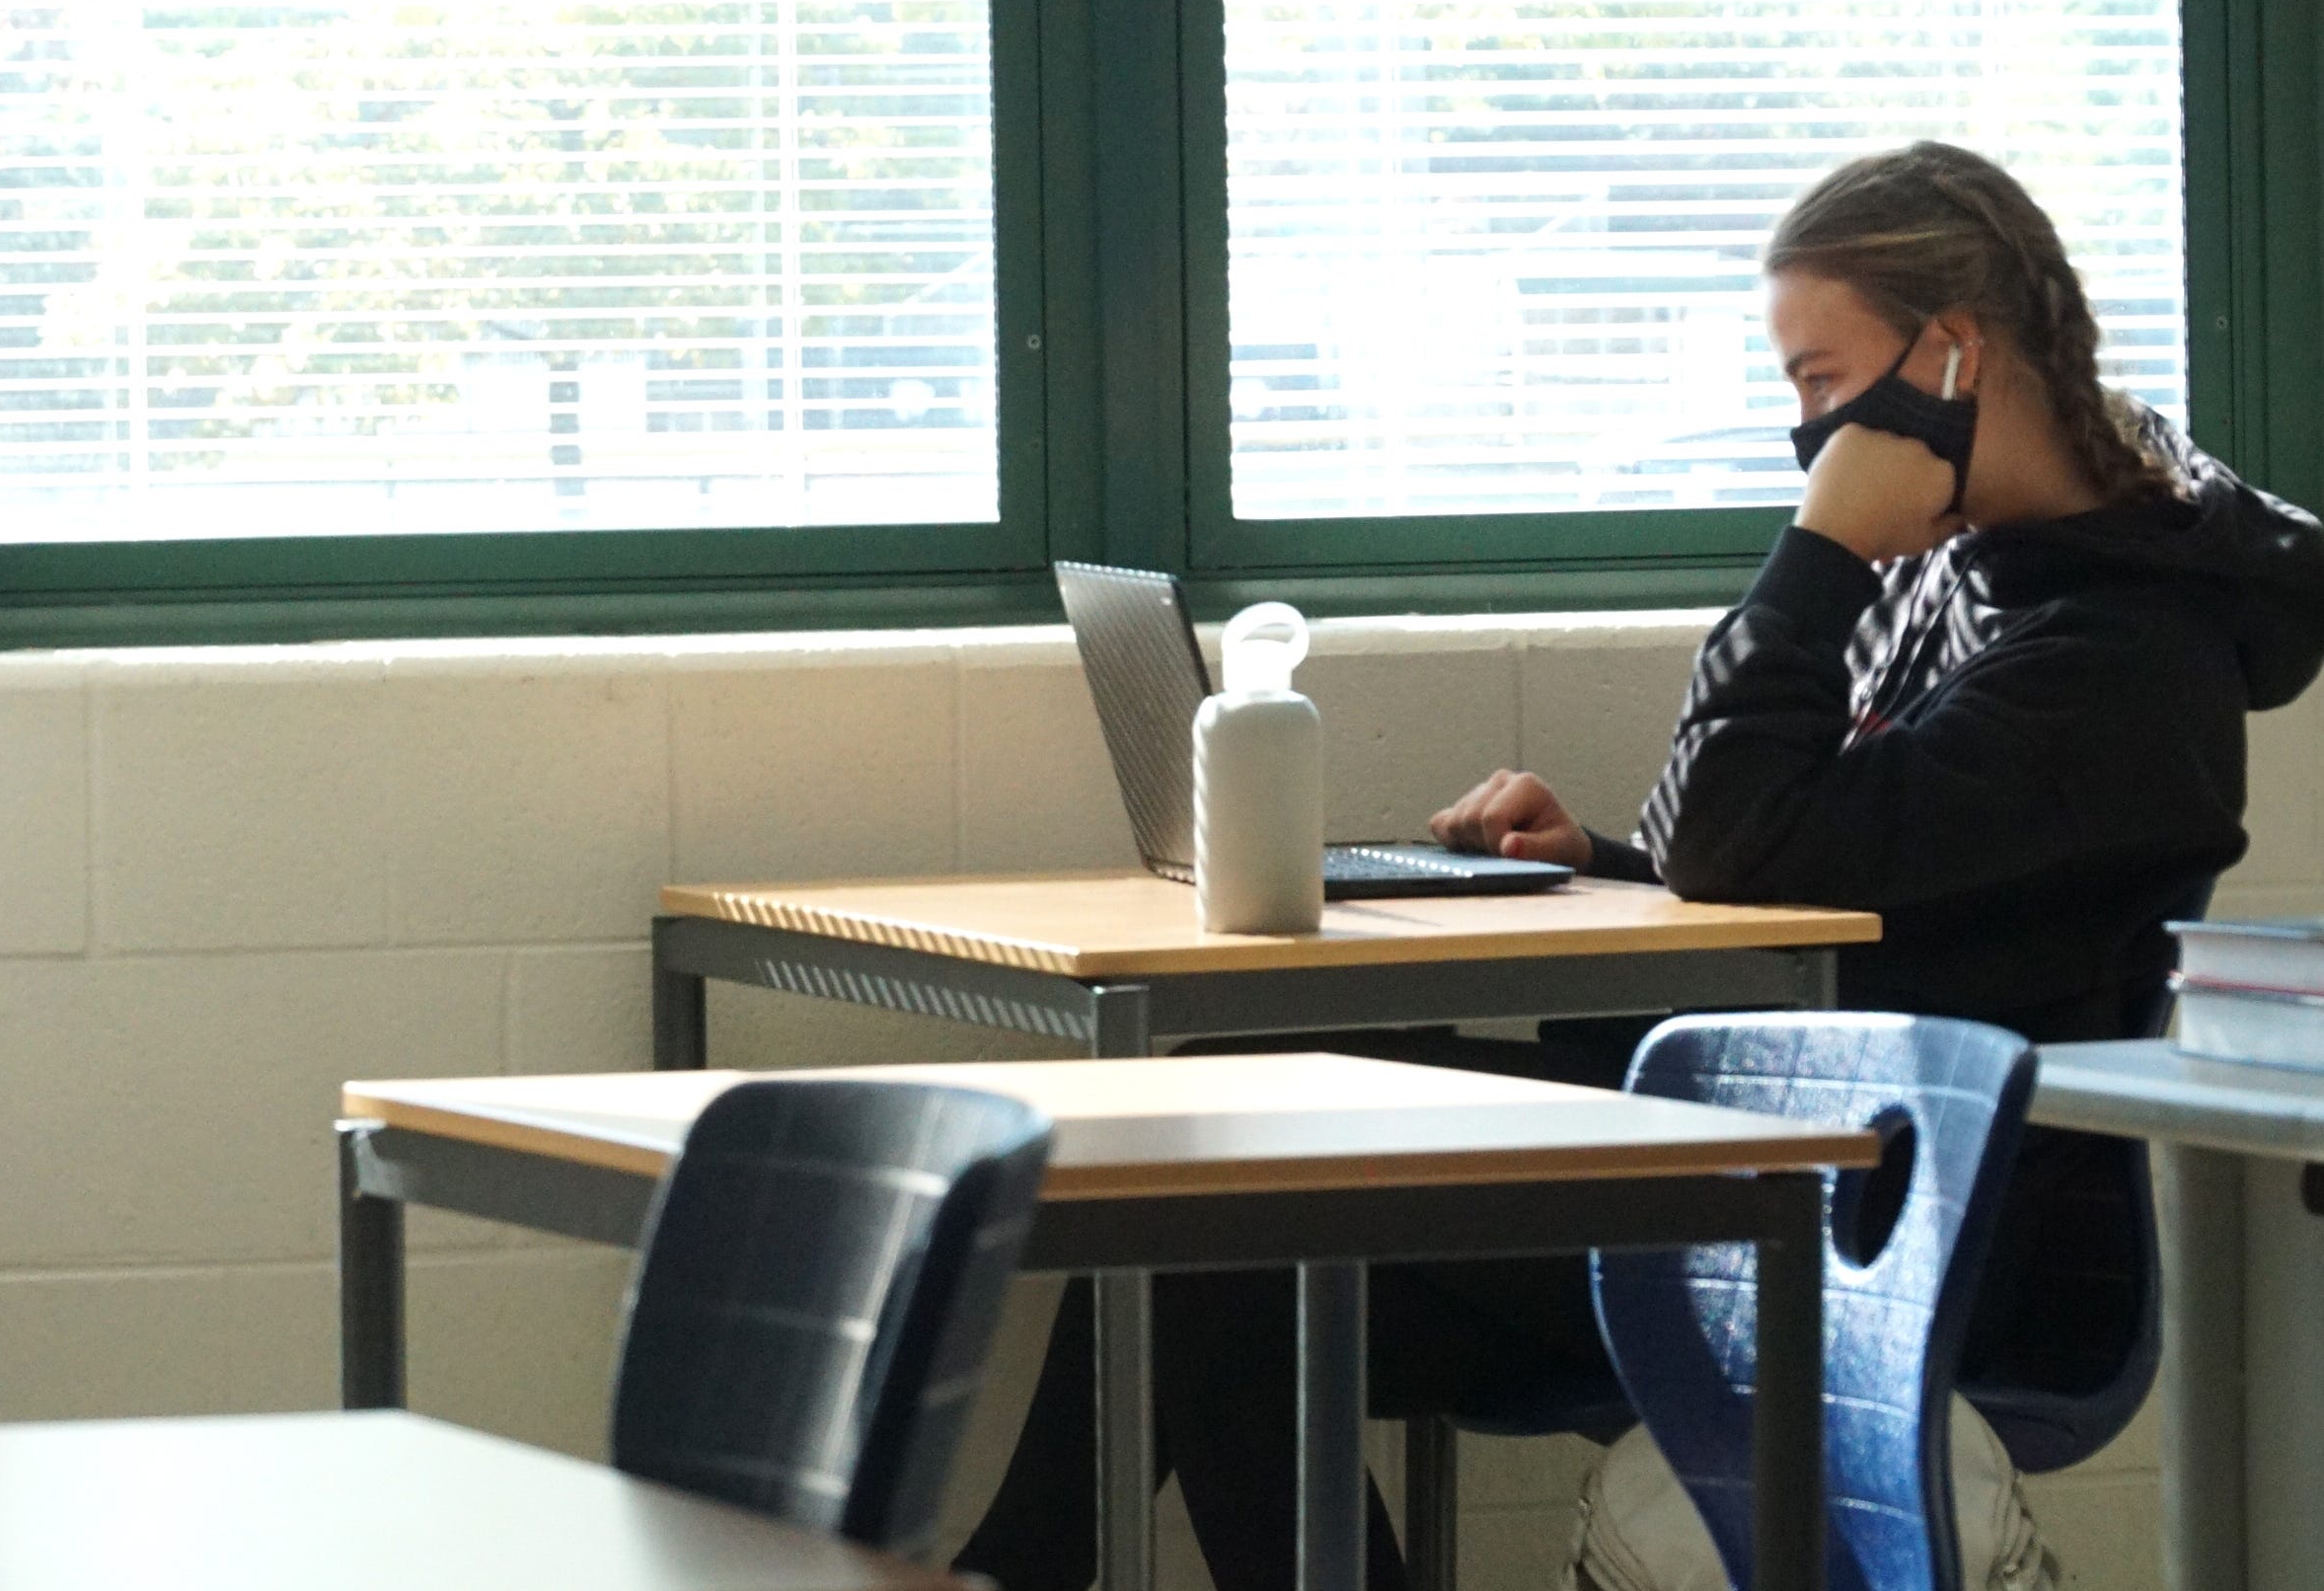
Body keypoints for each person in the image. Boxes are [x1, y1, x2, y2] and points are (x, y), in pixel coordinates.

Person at [959, 141, 2324, 1591]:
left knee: (1218, 1209)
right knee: (1213, 1186)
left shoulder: (2120, 661)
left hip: (1902, 1224)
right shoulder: (1953, 568)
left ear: (1952, 356)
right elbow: (1779, 850)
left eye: (1820, 380)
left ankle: (995, 1573)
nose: (1810, 432)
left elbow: (1756, 839)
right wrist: (1599, 858)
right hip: (1775, 1137)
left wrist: (1817, 551)